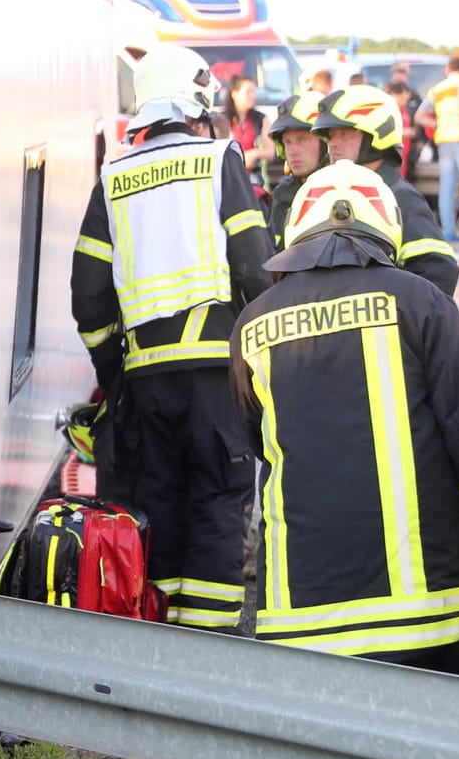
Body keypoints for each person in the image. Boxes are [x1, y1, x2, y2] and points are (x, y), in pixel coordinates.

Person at [230, 160, 459, 759]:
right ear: (383, 232)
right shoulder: (425, 302)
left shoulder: (254, 325)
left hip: (310, 609)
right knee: (443, 744)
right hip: (434, 602)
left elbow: (257, 443)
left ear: (294, 235)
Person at [71, 45, 270, 631]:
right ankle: (204, 653)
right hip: (217, 374)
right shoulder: (219, 159)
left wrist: (115, 373)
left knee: (156, 504)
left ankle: (154, 636)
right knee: (218, 497)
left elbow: (87, 294)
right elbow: (256, 269)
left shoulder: (112, 177)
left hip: (146, 384)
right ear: (195, 103)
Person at [316, 83, 459, 293]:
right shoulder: (340, 194)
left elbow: (439, 270)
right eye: (330, 135)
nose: (333, 144)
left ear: (377, 136)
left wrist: (397, 312)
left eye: (344, 133)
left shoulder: (399, 197)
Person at [266, 92, 326, 245]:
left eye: (303, 140)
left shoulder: (347, 191)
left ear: (325, 142)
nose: (292, 151)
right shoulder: (282, 194)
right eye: (287, 142)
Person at [417, 54, 459, 241]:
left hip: (444, 140)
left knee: (447, 188)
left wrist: (439, 125)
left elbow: (420, 116)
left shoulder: (438, 88)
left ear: (448, 69)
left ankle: (448, 232)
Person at [220, 75, 273, 191]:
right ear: (234, 94)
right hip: (229, 180)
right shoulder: (222, 120)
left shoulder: (261, 119)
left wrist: (254, 154)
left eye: (254, 91)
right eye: (248, 92)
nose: (253, 96)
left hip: (255, 181)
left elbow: (271, 151)